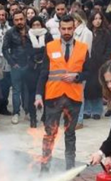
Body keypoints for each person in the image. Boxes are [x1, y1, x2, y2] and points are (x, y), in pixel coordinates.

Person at [35, 15, 89, 172]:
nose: (66, 31)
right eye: (63, 29)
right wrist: (39, 95)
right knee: (49, 133)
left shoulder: (83, 48)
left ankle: (70, 168)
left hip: (73, 97)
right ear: (59, 29)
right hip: (53, 97)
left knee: (70, 134)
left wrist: (77, 77)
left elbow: (90, 72)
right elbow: (43, 73)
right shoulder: (50, 47)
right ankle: (44, 168)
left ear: (74, 29)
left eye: (69, 28)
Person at [2, 10, 33, 125]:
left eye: (21, 19)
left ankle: (28, 112)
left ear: (25, 19)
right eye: (16, 20)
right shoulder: (10, 33)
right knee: (16, 90)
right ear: (13, 20)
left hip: (29, 65)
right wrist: (12, 62)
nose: (19, 22)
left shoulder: (31, 31)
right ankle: (16, 113)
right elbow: (4, 49)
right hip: (16, 65)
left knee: (27, 90)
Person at [83, 10, 111, 120]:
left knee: (98, 87)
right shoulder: (86, 32)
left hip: (100, 64)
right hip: (87, 63)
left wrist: (104, 60)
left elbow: (110, 48)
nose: (97, 21)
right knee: (86, 88)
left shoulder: (106, 33)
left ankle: (97, 110)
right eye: (95, 18)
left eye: (99, 18)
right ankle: (86, 110)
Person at [25, 16, 52, 129]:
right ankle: (32, 117)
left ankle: (45, 117)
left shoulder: (48, 35)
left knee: (46, 94)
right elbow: (28, 50)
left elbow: (50, 49)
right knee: (32, 94)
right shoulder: (27, 36)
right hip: (32, 69)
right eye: (34, 25)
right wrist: (41, 49)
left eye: (38, 25)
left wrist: (38, 51)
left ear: (42, 25)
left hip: (45, 68)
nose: (36, 27)